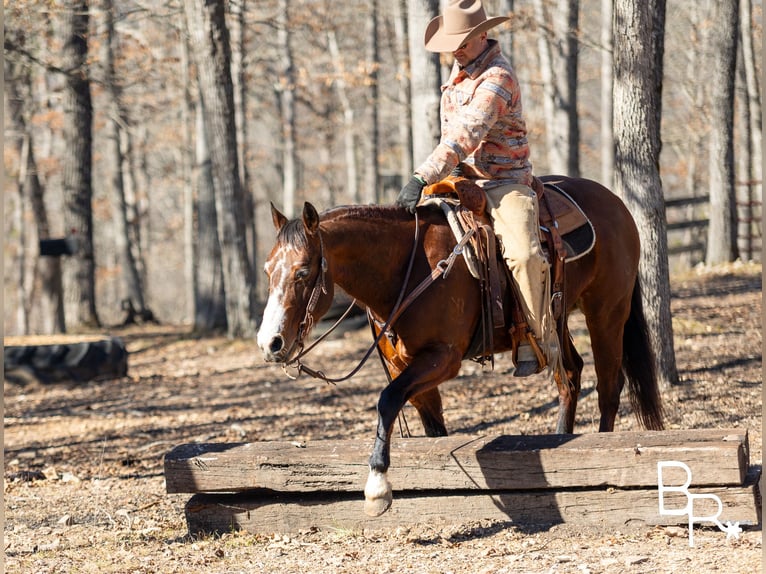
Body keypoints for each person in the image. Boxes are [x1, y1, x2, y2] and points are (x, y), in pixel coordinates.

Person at [396, 0, 554, 377]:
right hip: (461, 179)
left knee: (523, 255)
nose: (457, 48)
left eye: (463, 41)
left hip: (505, 181)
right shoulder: (457, 75)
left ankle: (538, 337)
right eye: (453, 41)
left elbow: (465, 134)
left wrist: (422, 176)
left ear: (483, 35)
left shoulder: (498, 78)